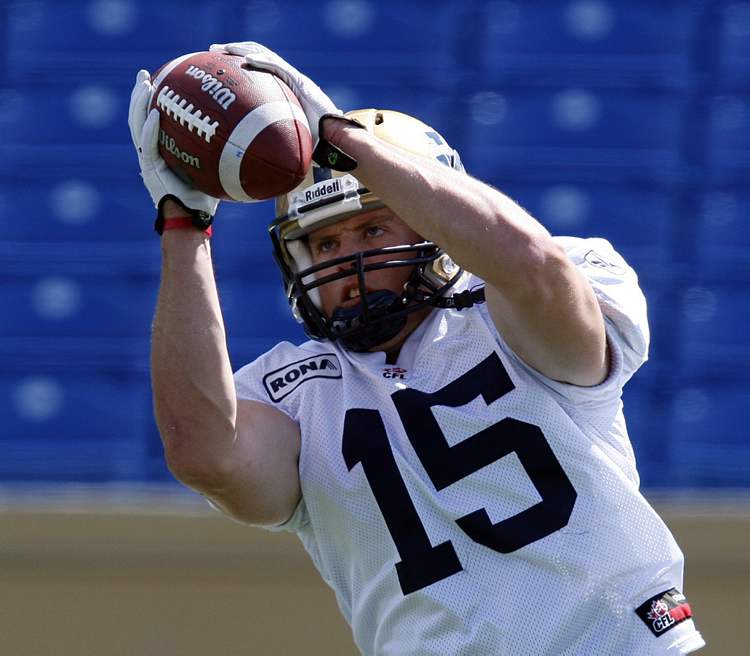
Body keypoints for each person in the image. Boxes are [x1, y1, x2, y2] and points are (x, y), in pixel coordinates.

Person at [129, 42, 706, 655]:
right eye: (324, 245)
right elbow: (204, 453)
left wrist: (341, 141)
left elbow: (529, 266)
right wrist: (184, 228)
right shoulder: (298, 390)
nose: (347, 261)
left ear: (434, 223)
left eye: (372, 229)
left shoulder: (522, 299)